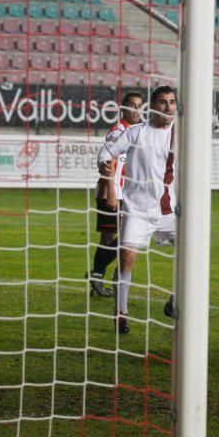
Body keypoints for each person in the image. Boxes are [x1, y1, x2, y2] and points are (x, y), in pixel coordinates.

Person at [97, 85, 177, 335]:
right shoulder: (136, 133)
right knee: (127, 259)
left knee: (193, 253)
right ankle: (121, 313)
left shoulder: (181, 135)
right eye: (163, 102)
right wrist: (104, 165)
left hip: (169, 211)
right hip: (137, 210)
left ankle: (175, 300)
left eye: (172, 102)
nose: (168, 107)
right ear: (152, 106)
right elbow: (108, 150)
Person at [88, 91, 144, 298]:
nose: (136, 110)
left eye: (139, 106)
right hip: (111, 192)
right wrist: (112, 193)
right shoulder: (118, 132)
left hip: (123, 193)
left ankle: (97, 276)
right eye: (132, 105)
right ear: (123, 108)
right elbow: (110, 164)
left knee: (111, 237)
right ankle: (97, 274)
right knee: (120, 239)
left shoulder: (136, 130)